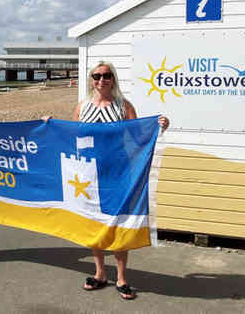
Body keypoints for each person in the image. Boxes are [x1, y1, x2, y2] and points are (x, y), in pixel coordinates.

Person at [44, 61, 169, 300]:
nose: (102, 80)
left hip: (117, 173)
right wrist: (51, 125)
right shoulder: (83, 107)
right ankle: (100, 273)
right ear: (91, 80)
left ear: (113, 79)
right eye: (97, 76)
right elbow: (73, 135)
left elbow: (137, 135)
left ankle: (122, 278)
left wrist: (159, 127)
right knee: (94, 221)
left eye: (107, 75)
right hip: (88, 174)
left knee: (117, 222)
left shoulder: (123, 106)